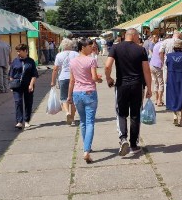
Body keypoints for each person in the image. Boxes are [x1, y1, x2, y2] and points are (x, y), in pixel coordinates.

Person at [105, 27, 152, 156]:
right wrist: (149, 87)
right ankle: (133, 145)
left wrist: (108, 78)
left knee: (121, 113)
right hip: (137, 85)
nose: (139, 39)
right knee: (135, 114)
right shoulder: (141, 50)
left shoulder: (115, 48)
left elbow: (108, 65)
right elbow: (146, 70)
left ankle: (123, 138)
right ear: (134, 36)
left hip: (121, 85)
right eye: (138, 37)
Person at [68, 38, 103, 163]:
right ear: (82, 47)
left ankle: (86, 147)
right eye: (90, 46)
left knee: (83, 122)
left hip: (77, 93)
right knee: (90, 122)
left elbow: (72, 80)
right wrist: (99, 79)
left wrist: (69, 96)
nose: (92, 48)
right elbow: (93, 77)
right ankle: (86, 151)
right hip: (89, 93)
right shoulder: (91, 60)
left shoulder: (72, 62)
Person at [9, 44, 38, 130]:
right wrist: (12, 84)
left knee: (28, 102)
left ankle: (27, 120)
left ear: (25, 51)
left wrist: (31, 84)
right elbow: (11, 74)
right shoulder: (15, 61)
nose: (18, 53)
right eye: (17, 51)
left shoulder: (31, 61)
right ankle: (19, 121)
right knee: (18, 102)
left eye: (19, 51)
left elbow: (34, 75)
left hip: (28, 85)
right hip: (17, 85)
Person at [51, 38, 78, 125]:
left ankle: (67, 113)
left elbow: (55, 69)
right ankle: (73, 119)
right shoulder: (76, 54)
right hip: (74, 78)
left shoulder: (59, 55)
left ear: (62, 46)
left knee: (64, 97)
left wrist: (53, 81)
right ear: (71, 45)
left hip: (62, 78)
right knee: (74, 99)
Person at [149, 35, 165, 107]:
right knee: (160, 83)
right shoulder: (162, 45)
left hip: (152, 64)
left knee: (155, 83)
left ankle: (156, 99)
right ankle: (159, 100)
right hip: (158, 65)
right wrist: (163, 63)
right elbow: (161, 54)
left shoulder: (157, 44)